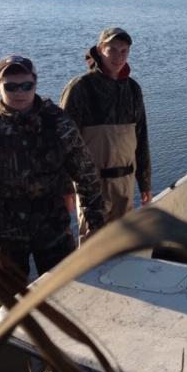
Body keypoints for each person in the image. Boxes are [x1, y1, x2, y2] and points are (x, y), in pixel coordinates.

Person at [0, 55, 106, 279]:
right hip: (5, 235)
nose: (19, 92)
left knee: (67, 289)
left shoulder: (58, 123)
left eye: (26, 85)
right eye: (11, 86)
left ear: (35, 83)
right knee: (9, 297)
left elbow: (86, 175)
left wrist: (95, 225)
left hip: (54, 229)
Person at [60, 27, 152, 241]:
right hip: (92, 185)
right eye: (112, 50)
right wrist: (65, 187)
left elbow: (141, 138)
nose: (118, 57)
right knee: (93, 246)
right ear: (100, 50)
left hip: (125, 183)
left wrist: (145, 182)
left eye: (124, 51)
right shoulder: (80, 88)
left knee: (123, 244)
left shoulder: (133, 89)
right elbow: (62, 144)